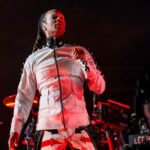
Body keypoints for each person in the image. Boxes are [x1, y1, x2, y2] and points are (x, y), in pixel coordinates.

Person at [8, 9, 105, 150]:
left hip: (80, 131)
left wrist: (84, 63)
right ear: (44, 26)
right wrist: (15, 130)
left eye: (62, 18)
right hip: (50, 134)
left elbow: (99, 87)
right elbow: (24, 98)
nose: (59, 20)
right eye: (54, 17)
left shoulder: (79, 52)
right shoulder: (33, 59)